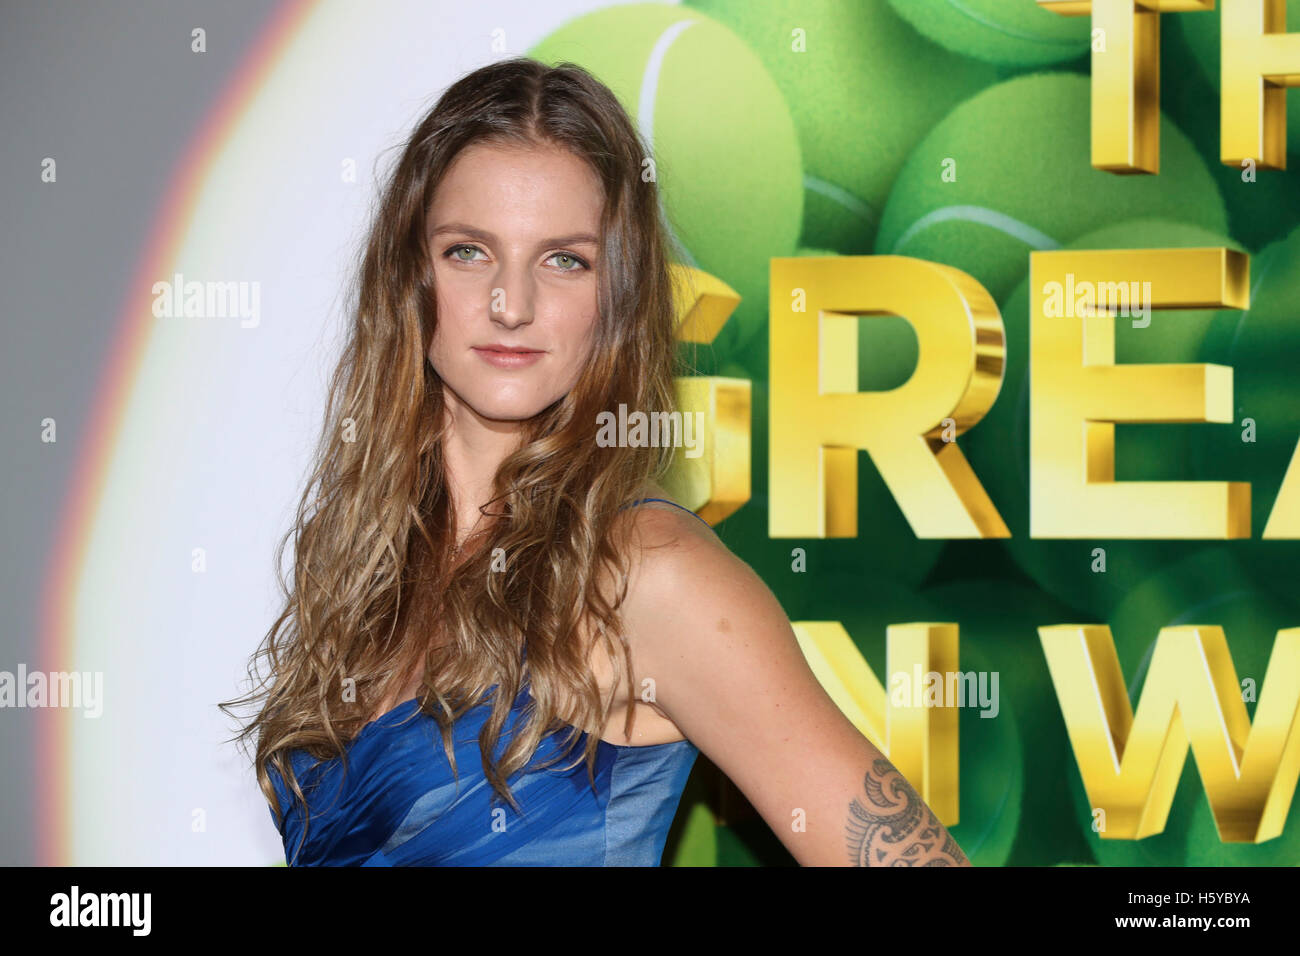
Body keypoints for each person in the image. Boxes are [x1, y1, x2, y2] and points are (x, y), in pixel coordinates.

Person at [221, 56, 970, 868]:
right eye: (469, 252)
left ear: (615, 296)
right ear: (410, 275)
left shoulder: (647, 574)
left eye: (563, 260)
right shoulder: (372, 570)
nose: (512, 304)